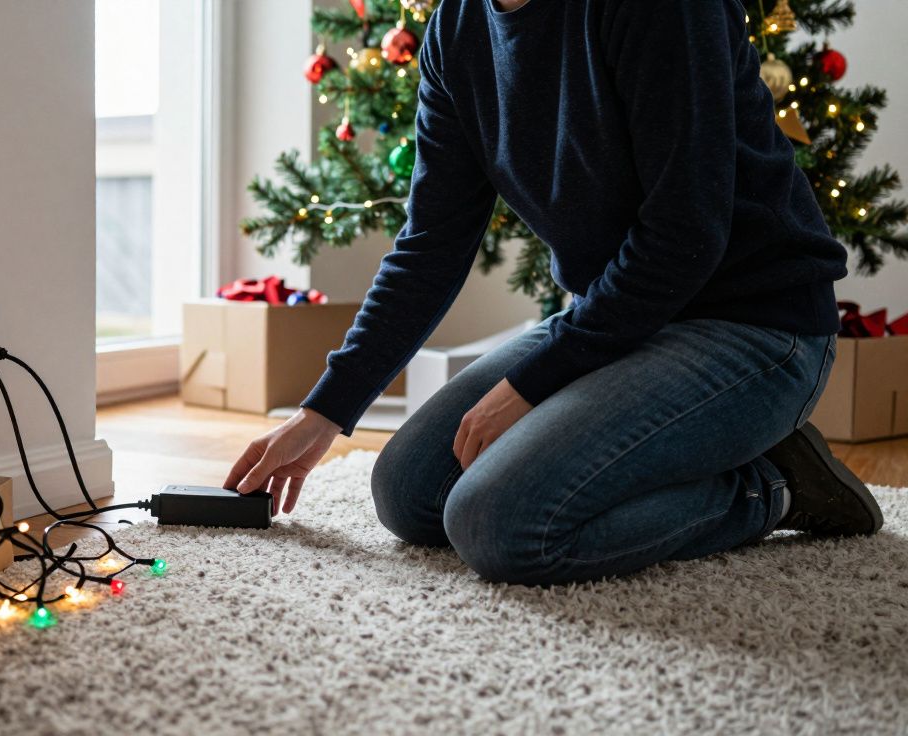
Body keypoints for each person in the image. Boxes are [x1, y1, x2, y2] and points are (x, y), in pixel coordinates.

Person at [224, 0, 883, 586]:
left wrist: (530, 385)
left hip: (757, 327)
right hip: (619, 322)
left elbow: (684, 235)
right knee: (408, 492)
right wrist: (324, 414)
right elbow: (430, 247)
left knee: (499, 525)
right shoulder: (457, 30)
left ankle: (771, 487)